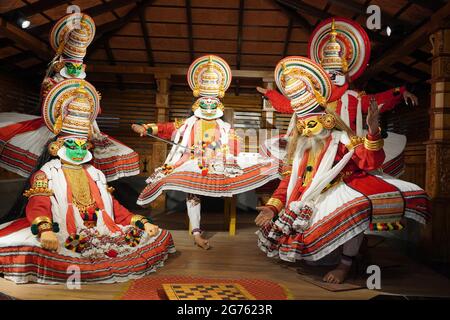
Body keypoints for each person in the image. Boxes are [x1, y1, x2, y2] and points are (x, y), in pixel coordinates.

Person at [255, 56, 429, 284]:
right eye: (303, 126)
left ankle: (345, 264)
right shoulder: (299, 149)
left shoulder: (342, 138)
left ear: (327, 121)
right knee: (313, 254)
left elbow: (370, 161)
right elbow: (288, 183)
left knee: (353, 207)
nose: (308, 130)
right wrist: (272, 207)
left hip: (339, 188)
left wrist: (373, 133)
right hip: (308, 196)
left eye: (313, 124)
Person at [0, 79, 175, 284]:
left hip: (101, 228)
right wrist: (46, 231)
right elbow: (39, 206)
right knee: (35, 250)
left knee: (158, 236)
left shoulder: (95, 174)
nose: (79, 150)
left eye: (83, 145)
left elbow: (114, 208)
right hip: (63, 228)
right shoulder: (46, 174)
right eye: (72, 144)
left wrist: (142, 222)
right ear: (56, 147)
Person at [132, 55, 278, 249]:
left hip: (219, 164)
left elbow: (235, 147)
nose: (208, 107)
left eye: (212, 104)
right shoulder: (188, 124)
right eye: (204, 104)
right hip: (192, 162)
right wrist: (146, 128)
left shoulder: (225, 128)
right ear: (197, 105)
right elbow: (167, 128)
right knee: (192, 192)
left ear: (219, 105)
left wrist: (215, 151)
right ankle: (197, 233)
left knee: (258, 170)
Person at [257, 17, 418, 177]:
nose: (333, 77)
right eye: (329, 74)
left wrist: (399, 92)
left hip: (346, 149)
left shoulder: (354, 97)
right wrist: (270, 94)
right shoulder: (314, 96)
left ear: (345, 75)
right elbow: (289, 105)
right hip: (316, 146)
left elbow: (375, 100)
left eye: (337, 74)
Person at [0, 12, 139, 182]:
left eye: (77, 66)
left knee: (93, 156)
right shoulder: (52, 81)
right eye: (71, 65)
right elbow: (48, 106)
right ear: (62, 64)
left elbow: (95, 111)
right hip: (59, 126)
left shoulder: (85, 84)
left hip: (84, 128)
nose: (74, 69)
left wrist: (94, 103)